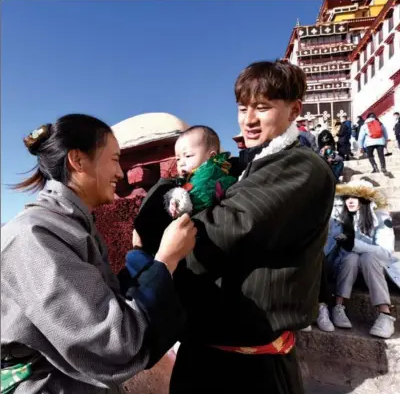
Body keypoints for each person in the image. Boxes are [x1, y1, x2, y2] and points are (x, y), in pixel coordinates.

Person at [135, 60, 336, 394]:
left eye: (263, 107)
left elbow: (216, 235)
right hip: (209, 354)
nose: (249, 120)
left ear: (294, 110)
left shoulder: (300, 168)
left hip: (249, 370)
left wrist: (160, 245)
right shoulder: (249, 166)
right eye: (243, 108)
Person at [1, 114, 197, 394]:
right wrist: (166, 261)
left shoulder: (73, 226)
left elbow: (105, 301)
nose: (119, 173)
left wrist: (145, 257)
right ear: (78, 161)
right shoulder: (35, 236)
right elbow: (113, 342)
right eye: (115, 159)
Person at [324, 180, 400, 339]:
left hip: (374, 269)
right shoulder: (340, 217)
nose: (350, 201)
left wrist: (353, 243)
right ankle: (339, 306)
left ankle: (385, 315)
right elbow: (329, 247)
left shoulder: (380, 217)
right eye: (347, 197)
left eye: (356, 197)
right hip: (346, 269)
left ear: (366, 199)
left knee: (368, 256)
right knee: (351, 257)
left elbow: (386, 252)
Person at [164, 125, 237, 219]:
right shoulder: (193, 175)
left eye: (188, 156)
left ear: (211, 157)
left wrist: (177, 202)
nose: (181, 163)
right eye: (178, 159)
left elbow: (195, 194)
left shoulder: (208, 173)